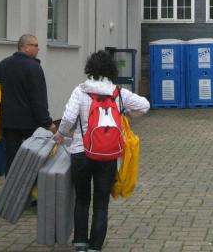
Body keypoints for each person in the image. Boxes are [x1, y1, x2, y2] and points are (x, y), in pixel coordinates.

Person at [53, 50, 149, 252]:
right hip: (108, 154)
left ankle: (80, 243)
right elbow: (144, 105)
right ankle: (95, 246)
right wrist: (127, 112)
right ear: (112, 70)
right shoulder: (118, 93)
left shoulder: (80, 91)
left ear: (90, 69)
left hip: (81, 152)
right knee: (101, 202)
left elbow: (68, 118)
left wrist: (61, 134)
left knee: (82, 199)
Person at [0, 34, 56, 172]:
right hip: (29, 125)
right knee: (31, 162)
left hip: (8, 124)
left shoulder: (3, 64)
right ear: (25, 47)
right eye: (35, 45)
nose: (38, 49)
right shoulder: (34, 68)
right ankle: (28, 185)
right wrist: (47, 123)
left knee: (11, 160)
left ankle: (10, 184)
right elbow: (39, 100)